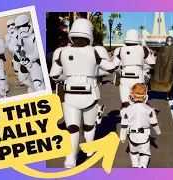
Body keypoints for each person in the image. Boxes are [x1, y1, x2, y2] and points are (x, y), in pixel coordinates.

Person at [49, 18, 117, 168]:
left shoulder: (61, 52)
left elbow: (54, 75)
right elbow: (111, 68)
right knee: (89, 126)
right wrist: (118, 59)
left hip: (70, 95)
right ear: (89, 32)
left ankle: (70, 159)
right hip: (90, 93)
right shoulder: (96, 51)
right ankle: (89, 150)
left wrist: (68, 76)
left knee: (72, 128)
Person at [113, 29, 153, 117]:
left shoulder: (121, 49)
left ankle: (125, 125)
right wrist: (141, 69)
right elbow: (152, 63)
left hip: (124, 79)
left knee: (125, 104)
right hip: (138, 78)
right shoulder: (143, 49)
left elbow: (114, 66)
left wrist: (122, 71)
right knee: (139, 103)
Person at [119, 83, 161, 168]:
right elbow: (154, 123)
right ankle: (143, 166)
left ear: (131, 95)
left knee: (133, 151)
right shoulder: (149, 109)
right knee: (145, 152)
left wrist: (122, 137)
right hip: (144, 134)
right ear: (145, 96)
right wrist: (157, 131)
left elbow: (124, 125)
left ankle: (135, 165)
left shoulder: (126, 110)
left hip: (132, 134)